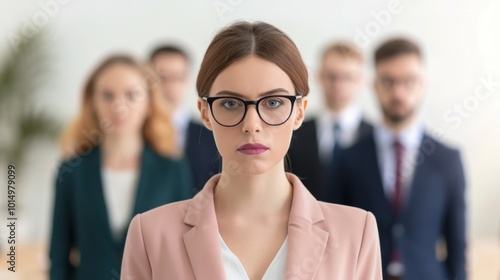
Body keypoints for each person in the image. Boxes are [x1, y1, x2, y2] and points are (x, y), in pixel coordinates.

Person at [121, 21, 382, 280]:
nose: (251, 125)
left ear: (299, 112)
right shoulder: (151, 235)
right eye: (231, 103)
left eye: (273, 102)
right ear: (205, 113)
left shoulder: (356, 234)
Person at [49, 55, 192, 280]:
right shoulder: (71, 171)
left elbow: (185, 251)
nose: (119, 106)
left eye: (131, 95)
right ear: (92, 101)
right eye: (107, 95)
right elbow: (58, 257)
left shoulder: (173, 170)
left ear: (148, 103)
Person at [333, 38, 467, 280]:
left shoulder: (448, 160)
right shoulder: (348, 157)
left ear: (422, 84)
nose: (398, 92)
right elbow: (334, 237)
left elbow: (458, 246)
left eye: (408, 81)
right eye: (389, 81)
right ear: (374, 85)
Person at [288, 42, 372, 200]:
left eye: (348, 77)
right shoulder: (294, 132)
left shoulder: (377, 136)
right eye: (332, 76)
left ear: (361, 80)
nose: (338, 85)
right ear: (319, 76)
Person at [150, 45, 219, 192]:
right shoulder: (135, 134)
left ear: (187, 80)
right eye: (161, 78)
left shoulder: (210, 135)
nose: (169, 86)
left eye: (176, 78)